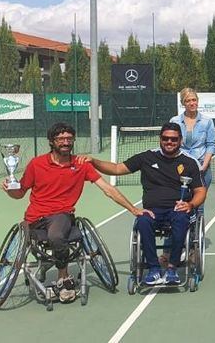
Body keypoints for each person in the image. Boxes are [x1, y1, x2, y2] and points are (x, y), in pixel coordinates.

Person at [2, 122, 145, 301]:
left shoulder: (81, 164)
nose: (65, 142)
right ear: (51, 141)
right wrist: (10, 189)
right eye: (60, 139)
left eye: (69, 138)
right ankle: (53, 264)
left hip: (61, 215)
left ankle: (64, 277)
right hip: (34, 218)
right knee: (43, 236)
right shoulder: (36, 164)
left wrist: (132, 209)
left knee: (55, 235)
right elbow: (20, 192)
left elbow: (108, 189)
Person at [87, 122, 206, 286]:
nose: (169, 142)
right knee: (142, 221)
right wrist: (93, 161)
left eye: (173, 139)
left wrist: (190, 205)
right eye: (165, 138)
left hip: (178, 209)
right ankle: (154, 269)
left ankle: (172, 268)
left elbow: (200, 191)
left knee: (181, 220)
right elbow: (116, 169)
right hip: (152, 211)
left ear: (180, 140)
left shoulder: (190, 162)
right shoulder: (147, 157)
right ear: (160, 139)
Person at [170, 87, 215, 213]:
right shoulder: (175, 121)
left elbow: (211, 145)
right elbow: (171, 145)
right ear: (183, 103)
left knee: (198, 207)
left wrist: (203, 166)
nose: (192, 103)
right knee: (180, 203)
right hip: (180, 169)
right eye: (188, 101)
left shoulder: (207, 122)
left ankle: (197, 233)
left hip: (202, 170)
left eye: (194, 100)